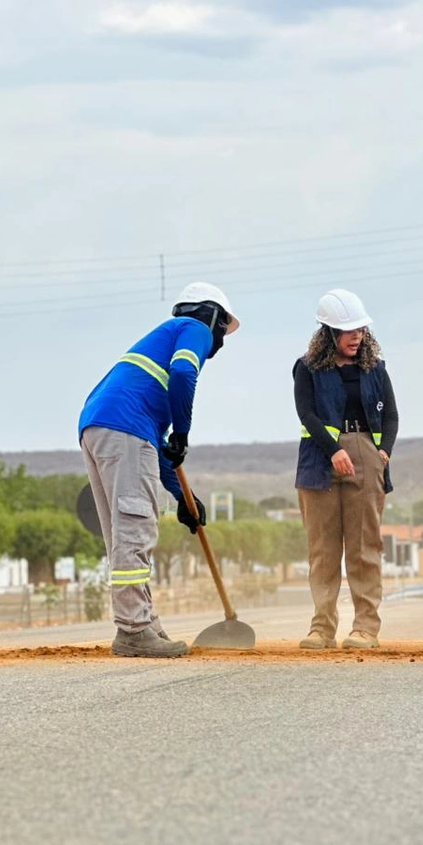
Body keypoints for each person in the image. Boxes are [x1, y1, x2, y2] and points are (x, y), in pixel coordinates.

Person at [79, 282, 239, 658]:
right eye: (223, 329)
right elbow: (185, 373)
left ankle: (144, 622)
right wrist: (184, 433)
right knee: (136, 528)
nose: (220, 341)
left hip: (99, 427)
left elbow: (162, 451)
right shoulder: (195, 330)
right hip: (126, 429)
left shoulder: (159, 341)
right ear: (212, 316)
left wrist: (185, 499)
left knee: (123, 533)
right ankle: (133, 631)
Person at [294, 289, 398, 650]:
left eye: (361, 330)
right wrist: (334, 449)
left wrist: (382, 452)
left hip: (366, 458)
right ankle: (322, 628)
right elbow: (306, 414)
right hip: (319, 460)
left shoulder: (375, 369)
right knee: (323, 550)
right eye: (349, 330)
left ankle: (365, 628)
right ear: (328, 333)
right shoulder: (306, 368)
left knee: (364, 546)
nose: (357, 337)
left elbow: (392, 416)